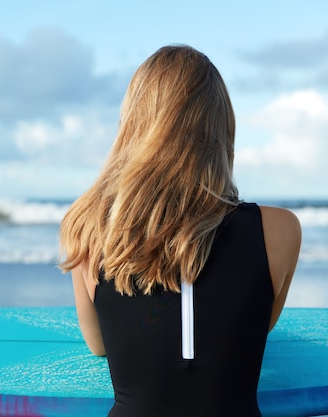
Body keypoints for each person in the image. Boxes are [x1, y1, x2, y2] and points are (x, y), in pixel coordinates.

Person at [59, 45, 301, 417]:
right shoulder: (280, 229)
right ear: (222, 127)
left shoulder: (88, 228)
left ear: (133, 124)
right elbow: (253, 331)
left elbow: (99, 344)